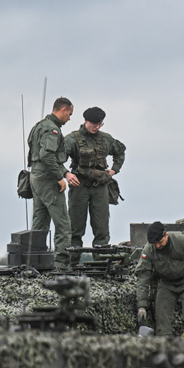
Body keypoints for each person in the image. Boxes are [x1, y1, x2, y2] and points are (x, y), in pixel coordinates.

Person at [64, 106, 126, 264]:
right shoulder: (72, 139)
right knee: (75, 226)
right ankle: (72, 262)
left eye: (100, 124)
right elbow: (57, 158)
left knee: (102, 226)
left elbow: (120, 151)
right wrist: (66, 174)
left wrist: (114, 170)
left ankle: (101, 262)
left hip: (100, 186)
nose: (97, 127)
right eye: (94, 124)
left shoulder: (105, 138)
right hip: (79, 185)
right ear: (85, 121)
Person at [28, 97, 79, 270]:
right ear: (63, 109)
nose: (70, 118)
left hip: (35, 176)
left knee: (39, 222)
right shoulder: (52, 130)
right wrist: (59, 177)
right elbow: (47, 155)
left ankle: (35, 260)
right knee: (63, 223)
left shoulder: (39, 126)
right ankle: (61, 263)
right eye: (70, 114)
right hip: (48, 178)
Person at [135, 221, 184, 337]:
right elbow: (143, 277)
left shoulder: (183, 241)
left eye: (160, 242)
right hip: (166, 284)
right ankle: (166, 349)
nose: (157, 246)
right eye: (154, 244)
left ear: (166, 235)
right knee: (162, 320)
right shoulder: (149, 250)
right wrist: (142, 306)